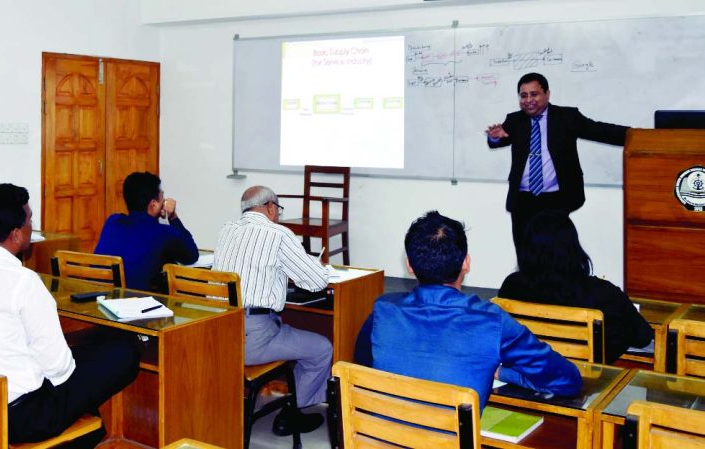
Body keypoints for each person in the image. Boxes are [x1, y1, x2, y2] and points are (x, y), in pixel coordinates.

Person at [0, 183, 139, 446]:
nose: (32, 224)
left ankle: (92, 431)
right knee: (124, 352)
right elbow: (59, 369)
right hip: (23, 416)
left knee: (85, 352)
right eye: (30, 219)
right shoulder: (23, 281)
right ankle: (88, 435)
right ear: (16, 235)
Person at [354, 211, 581, 411]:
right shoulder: (492, 321)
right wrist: (502, 373)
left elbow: (361, 376)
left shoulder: (382, 311)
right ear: (466, 263)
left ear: (410, 267)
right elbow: (567, 380)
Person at [213, 185, 330, 436]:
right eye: (278, 210)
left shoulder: (226, 230)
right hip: (255, 336)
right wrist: (314, 265)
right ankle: (291, 414)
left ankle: (287, 405)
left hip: (219, 332)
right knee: (322, 349)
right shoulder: (279, 234)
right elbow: (317, 282)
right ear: (270, 207)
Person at [486, 72, 629, 248]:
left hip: (556, 199)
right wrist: (494, 137)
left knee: (556, 253)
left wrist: (637, 136)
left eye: (534, 94)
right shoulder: (515, 120)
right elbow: (499, 141)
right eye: (523, 96)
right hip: (522, 200)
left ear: (547, 94)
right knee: (524, 251)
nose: (528, 100)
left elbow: (600, 131)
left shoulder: (567, 117)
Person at [499, 210, 653, 364]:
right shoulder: (603, 294)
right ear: (573, 247)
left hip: (527, 371)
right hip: (586, 380)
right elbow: (643, 337)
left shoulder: (511, 287)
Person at [94, 172, 198, 291]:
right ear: (154, 204)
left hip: (98, 299)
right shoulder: (163, 233)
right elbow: (191, 256)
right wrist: (173, 216)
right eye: (162, 197)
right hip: (136, 304)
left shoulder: (112, 221)